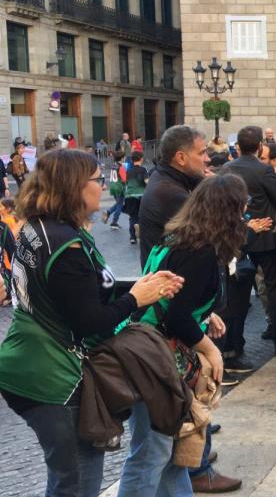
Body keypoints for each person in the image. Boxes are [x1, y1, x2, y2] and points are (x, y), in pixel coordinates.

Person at [0, 149, 183, 497]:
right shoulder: (66, 245)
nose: (102, 188)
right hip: (53, 377)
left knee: (66, 479)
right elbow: (90, 322)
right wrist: (136, 300)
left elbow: (83, 290)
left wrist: (142, 287)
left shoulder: (37, 228)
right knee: (78, 485)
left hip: (26, 362)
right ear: (74, 187)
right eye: (97, 180)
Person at [117, 175, 243, 496]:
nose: (243, 216)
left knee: (169, 453)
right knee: (152, 452)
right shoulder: (200, 252)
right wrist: (211, 350)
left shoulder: (176, 238)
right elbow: (175, 317)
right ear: (227, 212)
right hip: (156, 360)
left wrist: (204, 313)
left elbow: (170, 297)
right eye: (241, 209)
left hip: (145, 349)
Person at [222, 125, 276, 368]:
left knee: (237, 295)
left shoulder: (225, 169)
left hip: (238, 238)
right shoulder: (264, 170)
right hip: (266, 239)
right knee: (275, 290)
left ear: (238, 146)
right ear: (260, 146)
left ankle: (234, 344)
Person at [139, 126, 210, 267]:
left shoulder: (165, 177)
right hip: (173, 282)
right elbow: (211, 236)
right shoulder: (170, 193)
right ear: (181, 158)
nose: (207, 158)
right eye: (202, 153)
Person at [123, 151, 148, 245]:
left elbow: (126, 183)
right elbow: (146, 181)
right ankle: (140, 230)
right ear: (141, 159)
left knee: (132, 217)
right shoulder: (143, 169)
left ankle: (132, 237)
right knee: (142, 215)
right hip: (141, 195)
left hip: (129, 195)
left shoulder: (128, 171)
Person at [101, 150, 127, 230]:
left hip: (113, 186)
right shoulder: (121, 167)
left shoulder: (113, 166)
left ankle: (108, 212)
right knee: (120, 205)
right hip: (119, 187)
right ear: (122, 158)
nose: (125, 158)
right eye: (124, 157)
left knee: (119, 203)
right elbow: (124, 179)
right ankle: (114, 222)